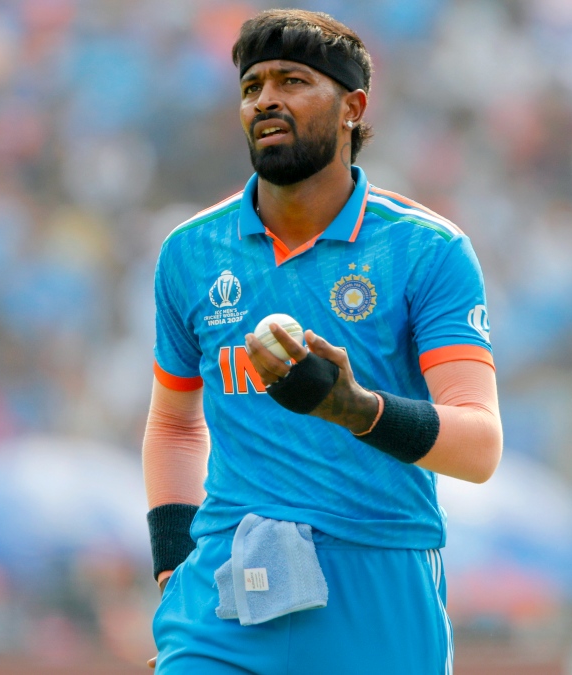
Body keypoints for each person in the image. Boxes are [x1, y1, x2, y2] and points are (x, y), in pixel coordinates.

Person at [142, 9, 502, 673]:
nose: (265, 99)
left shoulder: (427, 249)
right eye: (252, 86)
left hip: (379, 580)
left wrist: (354, 407)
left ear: (352, 109)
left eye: (293, 81)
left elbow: (480, 445)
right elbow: (174, 424)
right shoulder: (190, 252)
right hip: (226, 587)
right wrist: (174, 568)